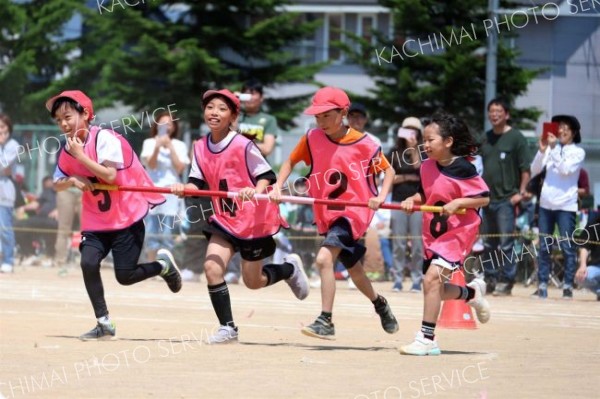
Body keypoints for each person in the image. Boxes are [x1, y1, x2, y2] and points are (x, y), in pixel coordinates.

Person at [170, 89, 309, 344]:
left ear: (233, 116)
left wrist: (253, 191)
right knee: (212, 267)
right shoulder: (199, 146)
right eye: (210, 107)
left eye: (222, 109)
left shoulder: (243, 144)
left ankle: (289, 269)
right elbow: (195, 182)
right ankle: (227, 328)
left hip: (252, 220)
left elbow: (266, 175)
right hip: (223, 218)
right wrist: (184, 188)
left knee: (253, 282)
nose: (215, 113)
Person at [46, 90, 182, 341]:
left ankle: (163, 267)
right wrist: (73, 179)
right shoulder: (67, 148)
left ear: (85, 114)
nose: (63, 124)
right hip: (96, 220)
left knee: (125, 276)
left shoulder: (105, 139)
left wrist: (82, 158)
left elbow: (110, 176)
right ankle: (104, 322)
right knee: (87, 262)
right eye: (58, 120)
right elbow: (56, 183)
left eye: (67, 116)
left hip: (126, 217)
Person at [270, 86, 399, 340]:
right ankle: (380, 303)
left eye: (327, 115)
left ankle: (325, 320)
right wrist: (277, 186)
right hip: (327, 214)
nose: (321, 121)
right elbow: (289, 162)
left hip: (352, 214)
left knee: (323, 260)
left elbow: (390, 171)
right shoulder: (311, 138)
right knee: (354, 270)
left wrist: (380, 197)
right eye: (317, 116)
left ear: (344, 113)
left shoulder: (365, 143)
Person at [398, 113, 491, 356]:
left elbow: (484, 197)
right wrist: (411, 199)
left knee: (431, 280)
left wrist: (458, 201)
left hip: (459, 232)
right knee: (434, 287)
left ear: (448, 141)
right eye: (424, 140)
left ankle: (427, 338)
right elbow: (424, 195)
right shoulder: (427, 166)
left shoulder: (463, 167)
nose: (425, 145)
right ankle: (471, 293)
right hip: (434, 233)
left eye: (430, 140)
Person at [479, 98, 531, 296]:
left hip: (507, 200)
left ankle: (507, 280)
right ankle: (490, 279)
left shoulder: (516, 138)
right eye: (491, 111)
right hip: (487, 200)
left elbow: (525, 169)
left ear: (506, 114)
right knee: (489, 243)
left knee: (506, 242)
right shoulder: (485, 138)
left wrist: (520, 193)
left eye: (498, 111)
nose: (494, 114)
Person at [531, 115, 585, 299]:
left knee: (567, 247)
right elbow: (534, 170)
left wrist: (553, 149)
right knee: (544, 247)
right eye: (559, 127)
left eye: (565, 129)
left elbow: (565, 170)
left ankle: (568, 285)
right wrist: (541, 151)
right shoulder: (551, 148)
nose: (560, 131)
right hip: (546, 204)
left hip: (566, 205)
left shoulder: (577, 152)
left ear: (574, 133)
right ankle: (543, 284)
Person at [141, 111, 190, 261]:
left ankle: (165, 264)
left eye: (169, 123)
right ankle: (151, 263)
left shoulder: (179, 145)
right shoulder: (149, 143)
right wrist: (157, 147)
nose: (166, 126)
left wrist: (170, 146)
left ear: (174, 127)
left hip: (171, 191)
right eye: (162, 123)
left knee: (168, 229)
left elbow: (180, 168)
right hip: (152, 190)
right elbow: (151, 165)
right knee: (151, 228)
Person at [387, 117, 424, 292]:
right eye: (407, 129)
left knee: (417, 244)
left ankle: (417, 279)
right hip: (397, 202)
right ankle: (398, 279)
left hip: (418, 202)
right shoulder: (394, 152)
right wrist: (406, 177)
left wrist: (413, 148)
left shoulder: (424, 151)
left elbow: (422, 172)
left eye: (414, 129)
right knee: (399, 243)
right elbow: (387, 178)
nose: (410, 132)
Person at [14, 176, 58, 263]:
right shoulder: (47, 192)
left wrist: (60, 209)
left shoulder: (65, 194)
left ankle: (49, 256)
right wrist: (23, 208)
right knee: (18, 225)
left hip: (54, 220)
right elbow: (36, 204)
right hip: (40, 218)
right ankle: (30, 254)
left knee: (50, 225)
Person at [237, 79, 280, 157]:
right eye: (246, 94)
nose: (249, 98)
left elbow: (267, 149)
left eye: (253, 94)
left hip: (258, 166)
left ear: (261, 97)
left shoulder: (269, 120)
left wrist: (240, 144)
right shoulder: (234, 117)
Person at [0, 113, 20, 273]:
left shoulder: (14, 145)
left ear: (8, 129)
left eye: (2, 127)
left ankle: (8, 259)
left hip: (5, 193)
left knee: (4, 227)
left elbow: (3, 165)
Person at [576, 213, 600, 301]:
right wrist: (582, 265)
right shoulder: (594, 223)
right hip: (598, 267)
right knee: (581, 278)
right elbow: (584, 247)